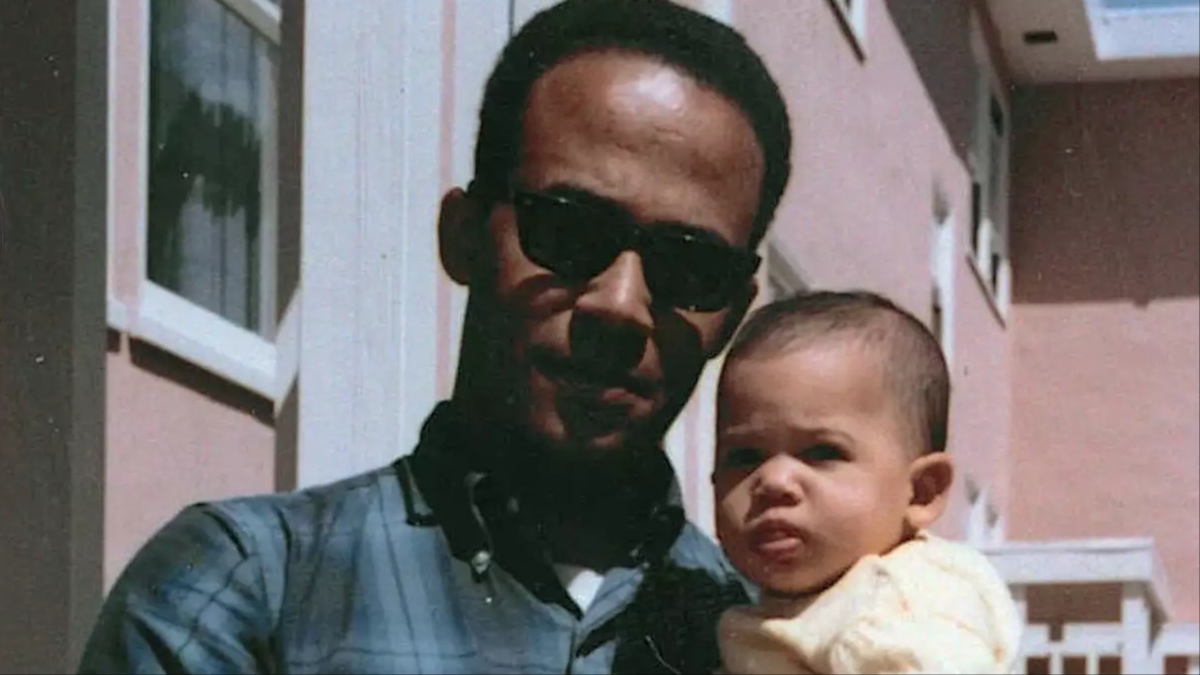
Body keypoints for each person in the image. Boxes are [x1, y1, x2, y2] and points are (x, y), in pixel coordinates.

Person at [78, 0, 792, 673]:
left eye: (691, 267)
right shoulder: (245, 589)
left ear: (731, 313)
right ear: (464, 236)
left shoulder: (787, 637)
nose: (621, 304)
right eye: (569, 229)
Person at [711, 291, 1022, 674]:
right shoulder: (811, 604)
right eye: (745, 456)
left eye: (822, 452)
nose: (773, 481)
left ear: (922, 491)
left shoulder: (900, 608)